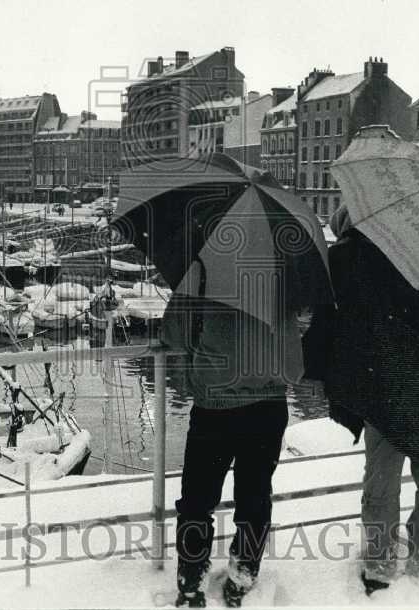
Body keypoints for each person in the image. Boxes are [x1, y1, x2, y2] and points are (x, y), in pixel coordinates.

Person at [302, 207, 419, 594]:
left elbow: (324, 326)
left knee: (382, 485)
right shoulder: (408, 253)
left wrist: (312, 372)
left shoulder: (339, 259)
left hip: (387, 384)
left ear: (343, 229)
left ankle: (379, 569)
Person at [161, 247, 303, 608]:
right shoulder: (286, 270)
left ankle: (191, 578)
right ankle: (243, 574)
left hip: (216, 403)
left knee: (197, 499)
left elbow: (174, 333)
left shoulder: (202, 265)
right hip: (269, 403)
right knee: (255, 496)